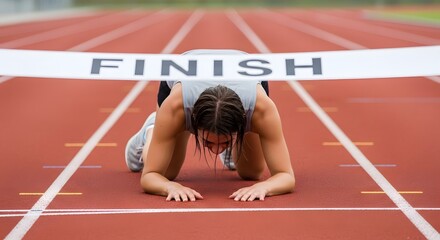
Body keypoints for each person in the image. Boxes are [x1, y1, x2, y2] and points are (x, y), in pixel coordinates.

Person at [125, 49, 295, 202]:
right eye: (208, 142)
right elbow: (150, 176)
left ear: (244, 121)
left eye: (225, 143)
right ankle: (152, 129)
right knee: (168, 174)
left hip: (246, 84)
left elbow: (286, 176)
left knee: (252, 173)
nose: (216, 151)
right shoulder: (176, 108)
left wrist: (265, 187)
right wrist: (169, 187)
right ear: (191, 121)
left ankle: (231, 143)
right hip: (183, 80)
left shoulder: (261, 110)